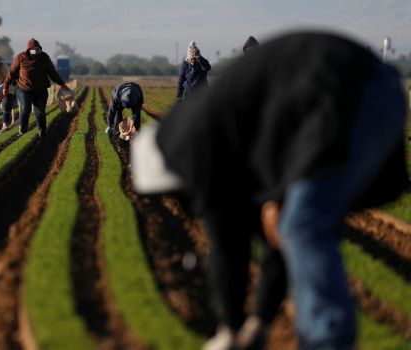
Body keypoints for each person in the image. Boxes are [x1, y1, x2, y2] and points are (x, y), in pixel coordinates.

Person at [131, 31, 408, 349]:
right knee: (292, 225)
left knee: (302, 224)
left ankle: (328, 342)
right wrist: (258, 322)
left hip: (342, 93)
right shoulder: (214, 137)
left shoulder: (196, 147)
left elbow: (227, 246)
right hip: (372, 88)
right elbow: (268, 240)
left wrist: (230, 329)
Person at [3, 38, 70, 139]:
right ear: (28, 50)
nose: (36, 52)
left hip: (41, 90)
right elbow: (11, 73)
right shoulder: (20, 57)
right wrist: (5, 86)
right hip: (24, 89)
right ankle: (22, 131)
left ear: (40, 49)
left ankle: (42, 133)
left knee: (40, 112)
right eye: (33, 50)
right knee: (25, 109)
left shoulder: (44, 57)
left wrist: (61, 83)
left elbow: (52, 72)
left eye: (38, 50)